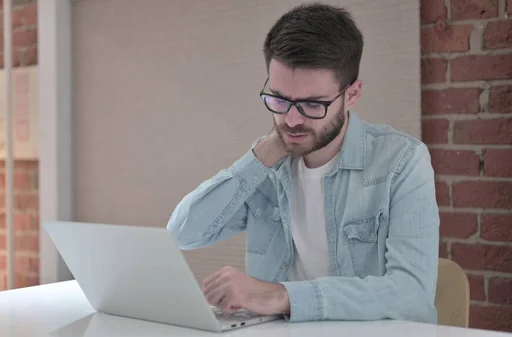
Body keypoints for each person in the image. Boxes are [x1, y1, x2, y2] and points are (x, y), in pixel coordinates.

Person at [166, 2, 440, 324]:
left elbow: (413, 295)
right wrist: (263, 155)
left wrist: (280, 296)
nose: (291, 120)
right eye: (279, 99)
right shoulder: (268, 164)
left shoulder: (403, 161)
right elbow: (183, 234)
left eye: (311, 104)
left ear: (352, 95)